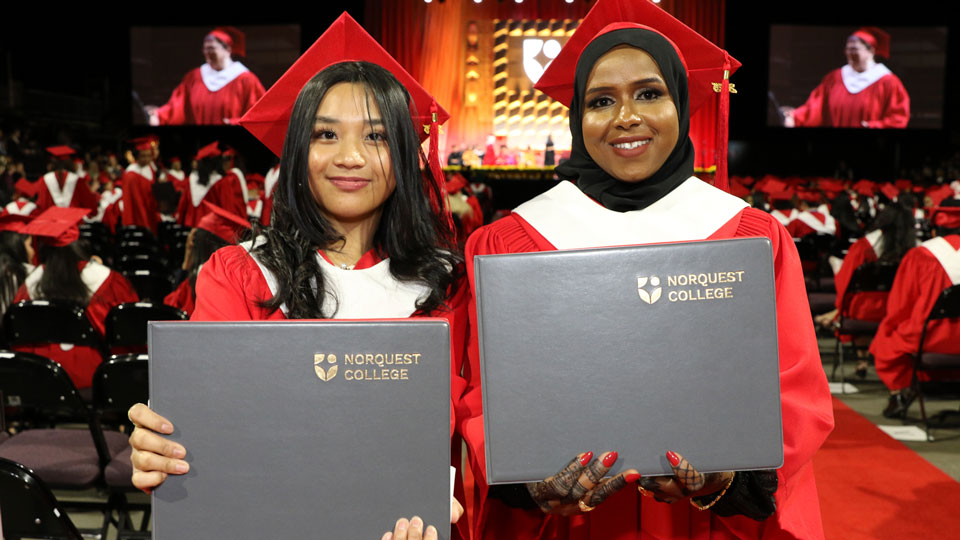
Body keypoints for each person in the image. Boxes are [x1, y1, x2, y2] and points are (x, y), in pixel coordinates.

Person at [458, 1, 834, 539]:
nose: (626, 117)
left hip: (705, 523)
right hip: (568, 524)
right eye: (601, 101)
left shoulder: (748, 237)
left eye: (649, 94)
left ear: (681, 104)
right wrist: (531, 479)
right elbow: (484, 397)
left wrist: (726, 475)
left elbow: (796, 389)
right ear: (577, 117)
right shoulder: (510, 244)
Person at [127, 13, 464, 540]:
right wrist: (164, 447)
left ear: (404, 153)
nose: (349, 156)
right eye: (325, 134)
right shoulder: (242, 276)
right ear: (297, 151)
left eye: (376, 136)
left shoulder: (448, 289)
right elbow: (212, 438)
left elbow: (472, 438)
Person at [12, 207, 139, 389]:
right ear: (79, 244)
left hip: (40, 377)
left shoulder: (30, 286)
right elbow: (128, 335)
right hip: (95, 377)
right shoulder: (108, 281)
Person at [870, 200, 960, 418]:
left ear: (935, 228)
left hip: (932, 337)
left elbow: (900, 307)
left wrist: (890, 326)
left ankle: (900, 393)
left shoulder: (921, 255)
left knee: (887, 339)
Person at [814, 194, 918, 375]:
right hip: (899, 312)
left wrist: (840, 306)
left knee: (859, 303)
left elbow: (845, 284)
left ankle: (862, 359)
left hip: (863, 311)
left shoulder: (863, 247)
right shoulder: (916, 251)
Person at [781, 27, 909, 128]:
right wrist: (794, 117)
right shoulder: (834, 77)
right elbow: (815, 107)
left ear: (871, 51)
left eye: (854, 49)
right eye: (847, 49)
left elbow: (898, 117)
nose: (849, 53)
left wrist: (873, 126)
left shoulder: (888, 82)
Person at [146, 27, 266, 126]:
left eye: (211, 48)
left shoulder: (246, 79)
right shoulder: (194, 77)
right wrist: (158, 116)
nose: (206, 53)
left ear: (228, 49)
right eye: (205, 49)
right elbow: (176, 107)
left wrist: (233, 123)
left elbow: (258, 115)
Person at [35, 146, 99, 214]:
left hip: (50, 219)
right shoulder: (78, 180)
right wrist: (93, 192)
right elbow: (90, 206)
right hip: (74, 219)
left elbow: (42, 205)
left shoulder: (44, 179)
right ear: (70, 163)